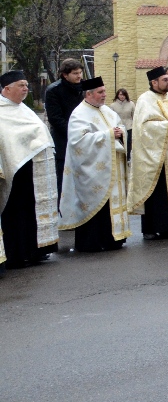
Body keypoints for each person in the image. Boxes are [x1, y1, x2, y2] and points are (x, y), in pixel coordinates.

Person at [59, 77, 130, 252]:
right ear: (88, 94)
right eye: (100, 92)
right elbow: (78, 142)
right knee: (96, 207)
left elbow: (119, 127)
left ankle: (114, 239)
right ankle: (93, 242)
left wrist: (121, 133)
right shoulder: (79, 114)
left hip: (111, 166)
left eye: (104, 91)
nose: (104, 95)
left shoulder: (108, 111)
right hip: (92, 172)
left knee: (111, 206)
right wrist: (107, 135)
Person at [0, 70, 59, 271]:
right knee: (15, 215)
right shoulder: (1, 111)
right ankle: (16, 255)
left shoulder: (24, 109)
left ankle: (33, 251)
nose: (26, 88)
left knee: (30, 213)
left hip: (33, 172)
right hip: (13, 171)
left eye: (26, 85)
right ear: (7, 89)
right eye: (21, 85)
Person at [129, 66, 168, 240]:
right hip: (158, 156)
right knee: (159, 193)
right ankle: (157, 227)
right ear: (154, 82)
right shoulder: (145, 100)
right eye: (165, 79)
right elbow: (144, 127)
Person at [44, 58, 85, 194]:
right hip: (64, 141)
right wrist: (77, 132)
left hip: (86, 141)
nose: (79, 76)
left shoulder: (86, 87)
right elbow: (55, 119)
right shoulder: (53, 90)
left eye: (80, 72)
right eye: (75, 73)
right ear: (65, 75)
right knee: (64, 182)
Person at [110, 88, 135, 154]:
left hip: (129, 126)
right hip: (118, 127)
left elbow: (134, 116)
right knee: (120, 143)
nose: (122, 96)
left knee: (128, 143)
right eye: (120, 94)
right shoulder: (113, 105)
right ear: (117, 95)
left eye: (124, 95)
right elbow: (111, 118)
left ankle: (128, 157)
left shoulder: (131, 104)